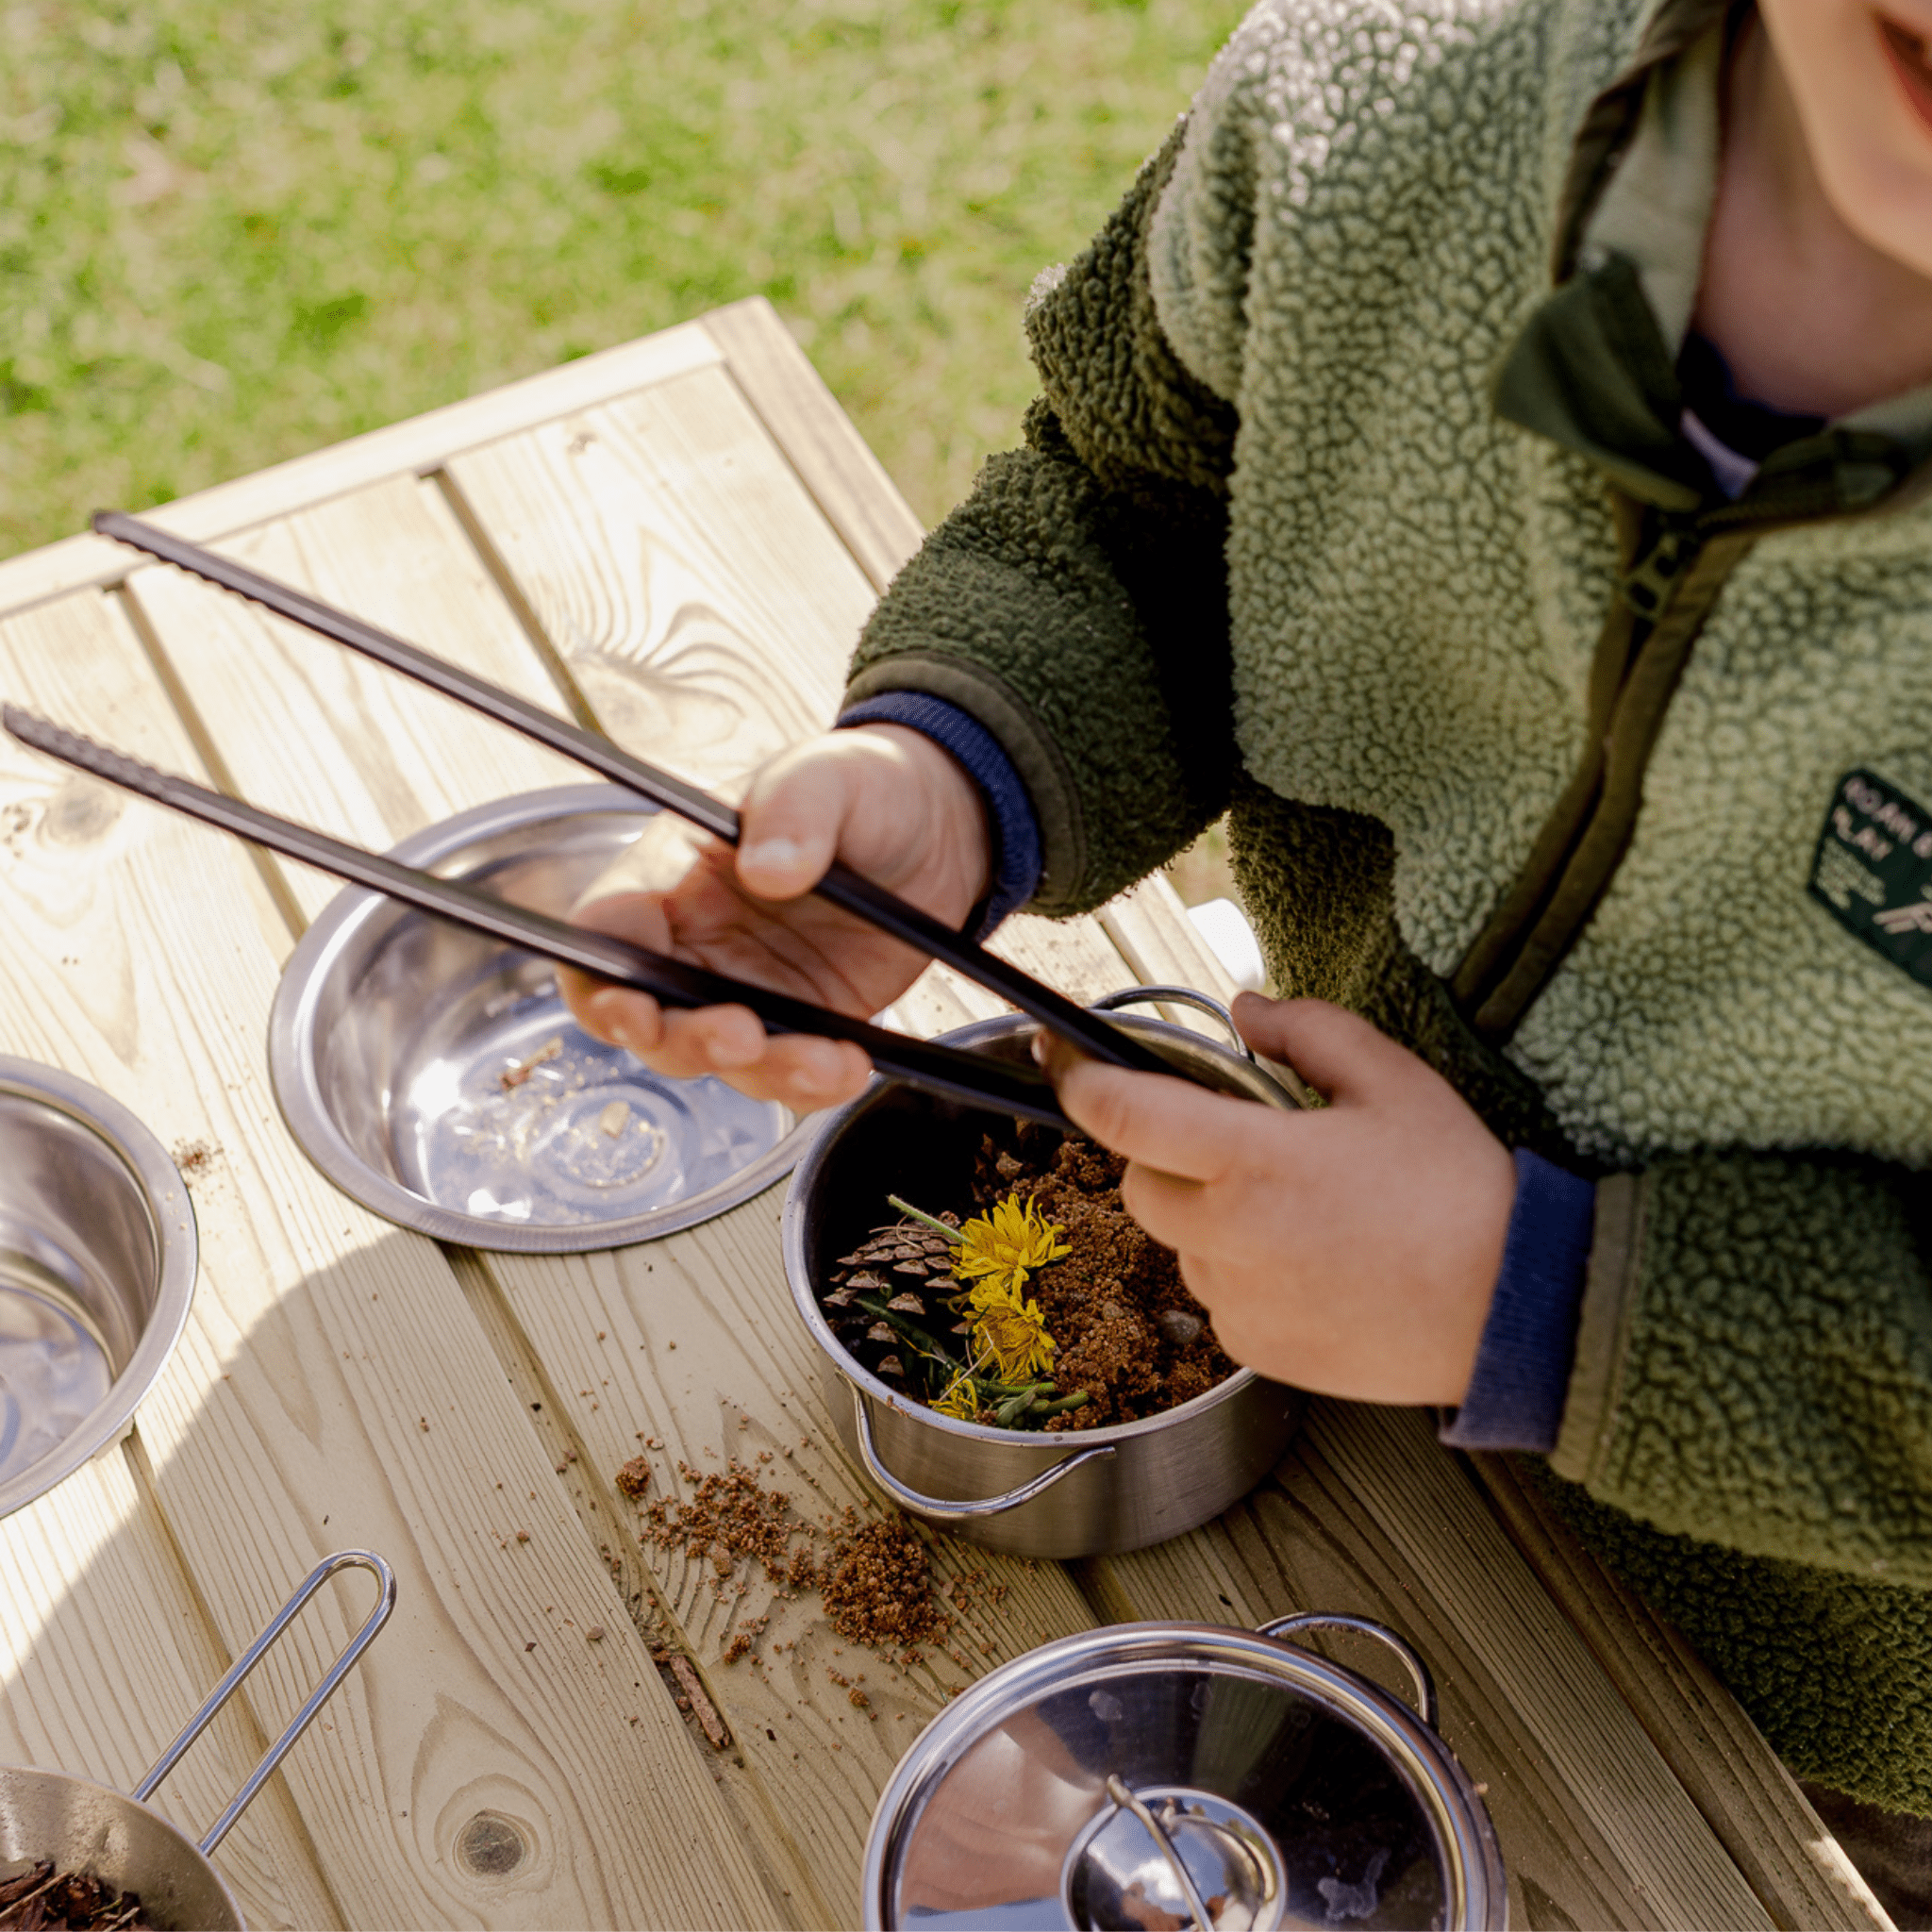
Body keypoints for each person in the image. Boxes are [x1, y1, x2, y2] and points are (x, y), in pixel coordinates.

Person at [563, 0, 1932, 1911]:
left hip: (1837, 1697)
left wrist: (1539, 1296)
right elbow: (1135, 514)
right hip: (1333, 1377)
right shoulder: (1382, 98)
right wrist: (958, 770)